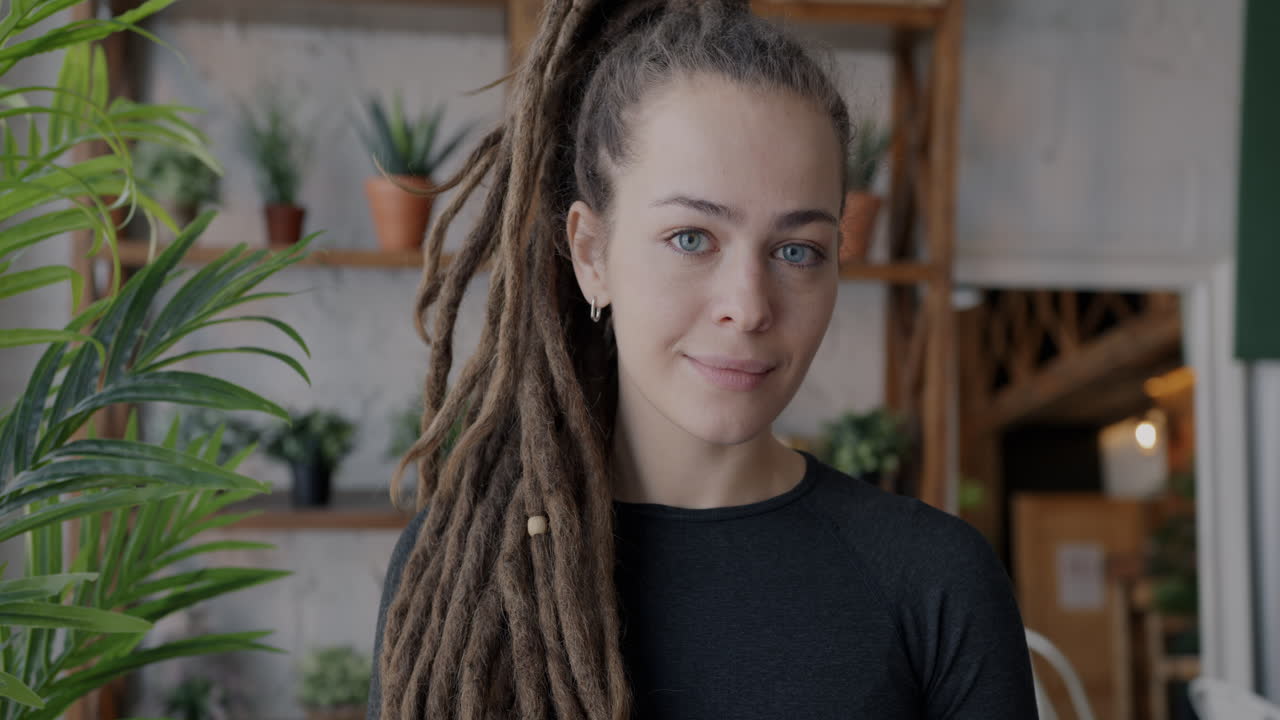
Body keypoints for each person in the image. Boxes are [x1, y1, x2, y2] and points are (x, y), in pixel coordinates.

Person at [369, 1, 1040, 718]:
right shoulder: (459, 574)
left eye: (797, 250)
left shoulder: (936, 582)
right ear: (591, 255)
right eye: (692, 238)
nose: (748, 306)